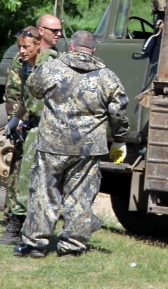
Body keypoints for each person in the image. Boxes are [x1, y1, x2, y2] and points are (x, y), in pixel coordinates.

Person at [14, 30, 130, 258]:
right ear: (94, 50)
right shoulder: (108, 77)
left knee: (44, 193)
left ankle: (36, 244)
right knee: (80, 196)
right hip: (88, 148)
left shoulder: (52, 68)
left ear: (72, 47)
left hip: (52, 144)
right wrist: (119, 140)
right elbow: (118, 112)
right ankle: (72, 246)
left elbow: (33, 89)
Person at [0, 26, 42, 244]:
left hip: (47, 128)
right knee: (21, 176)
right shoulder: (25, 66)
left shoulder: (47, 65)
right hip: (31, 125)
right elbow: (21, 96)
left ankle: (30, 229)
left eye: (26, 47)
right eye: (20, 47)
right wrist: (16, 120)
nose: (22, 51)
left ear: (38, 45)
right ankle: (15, 225)